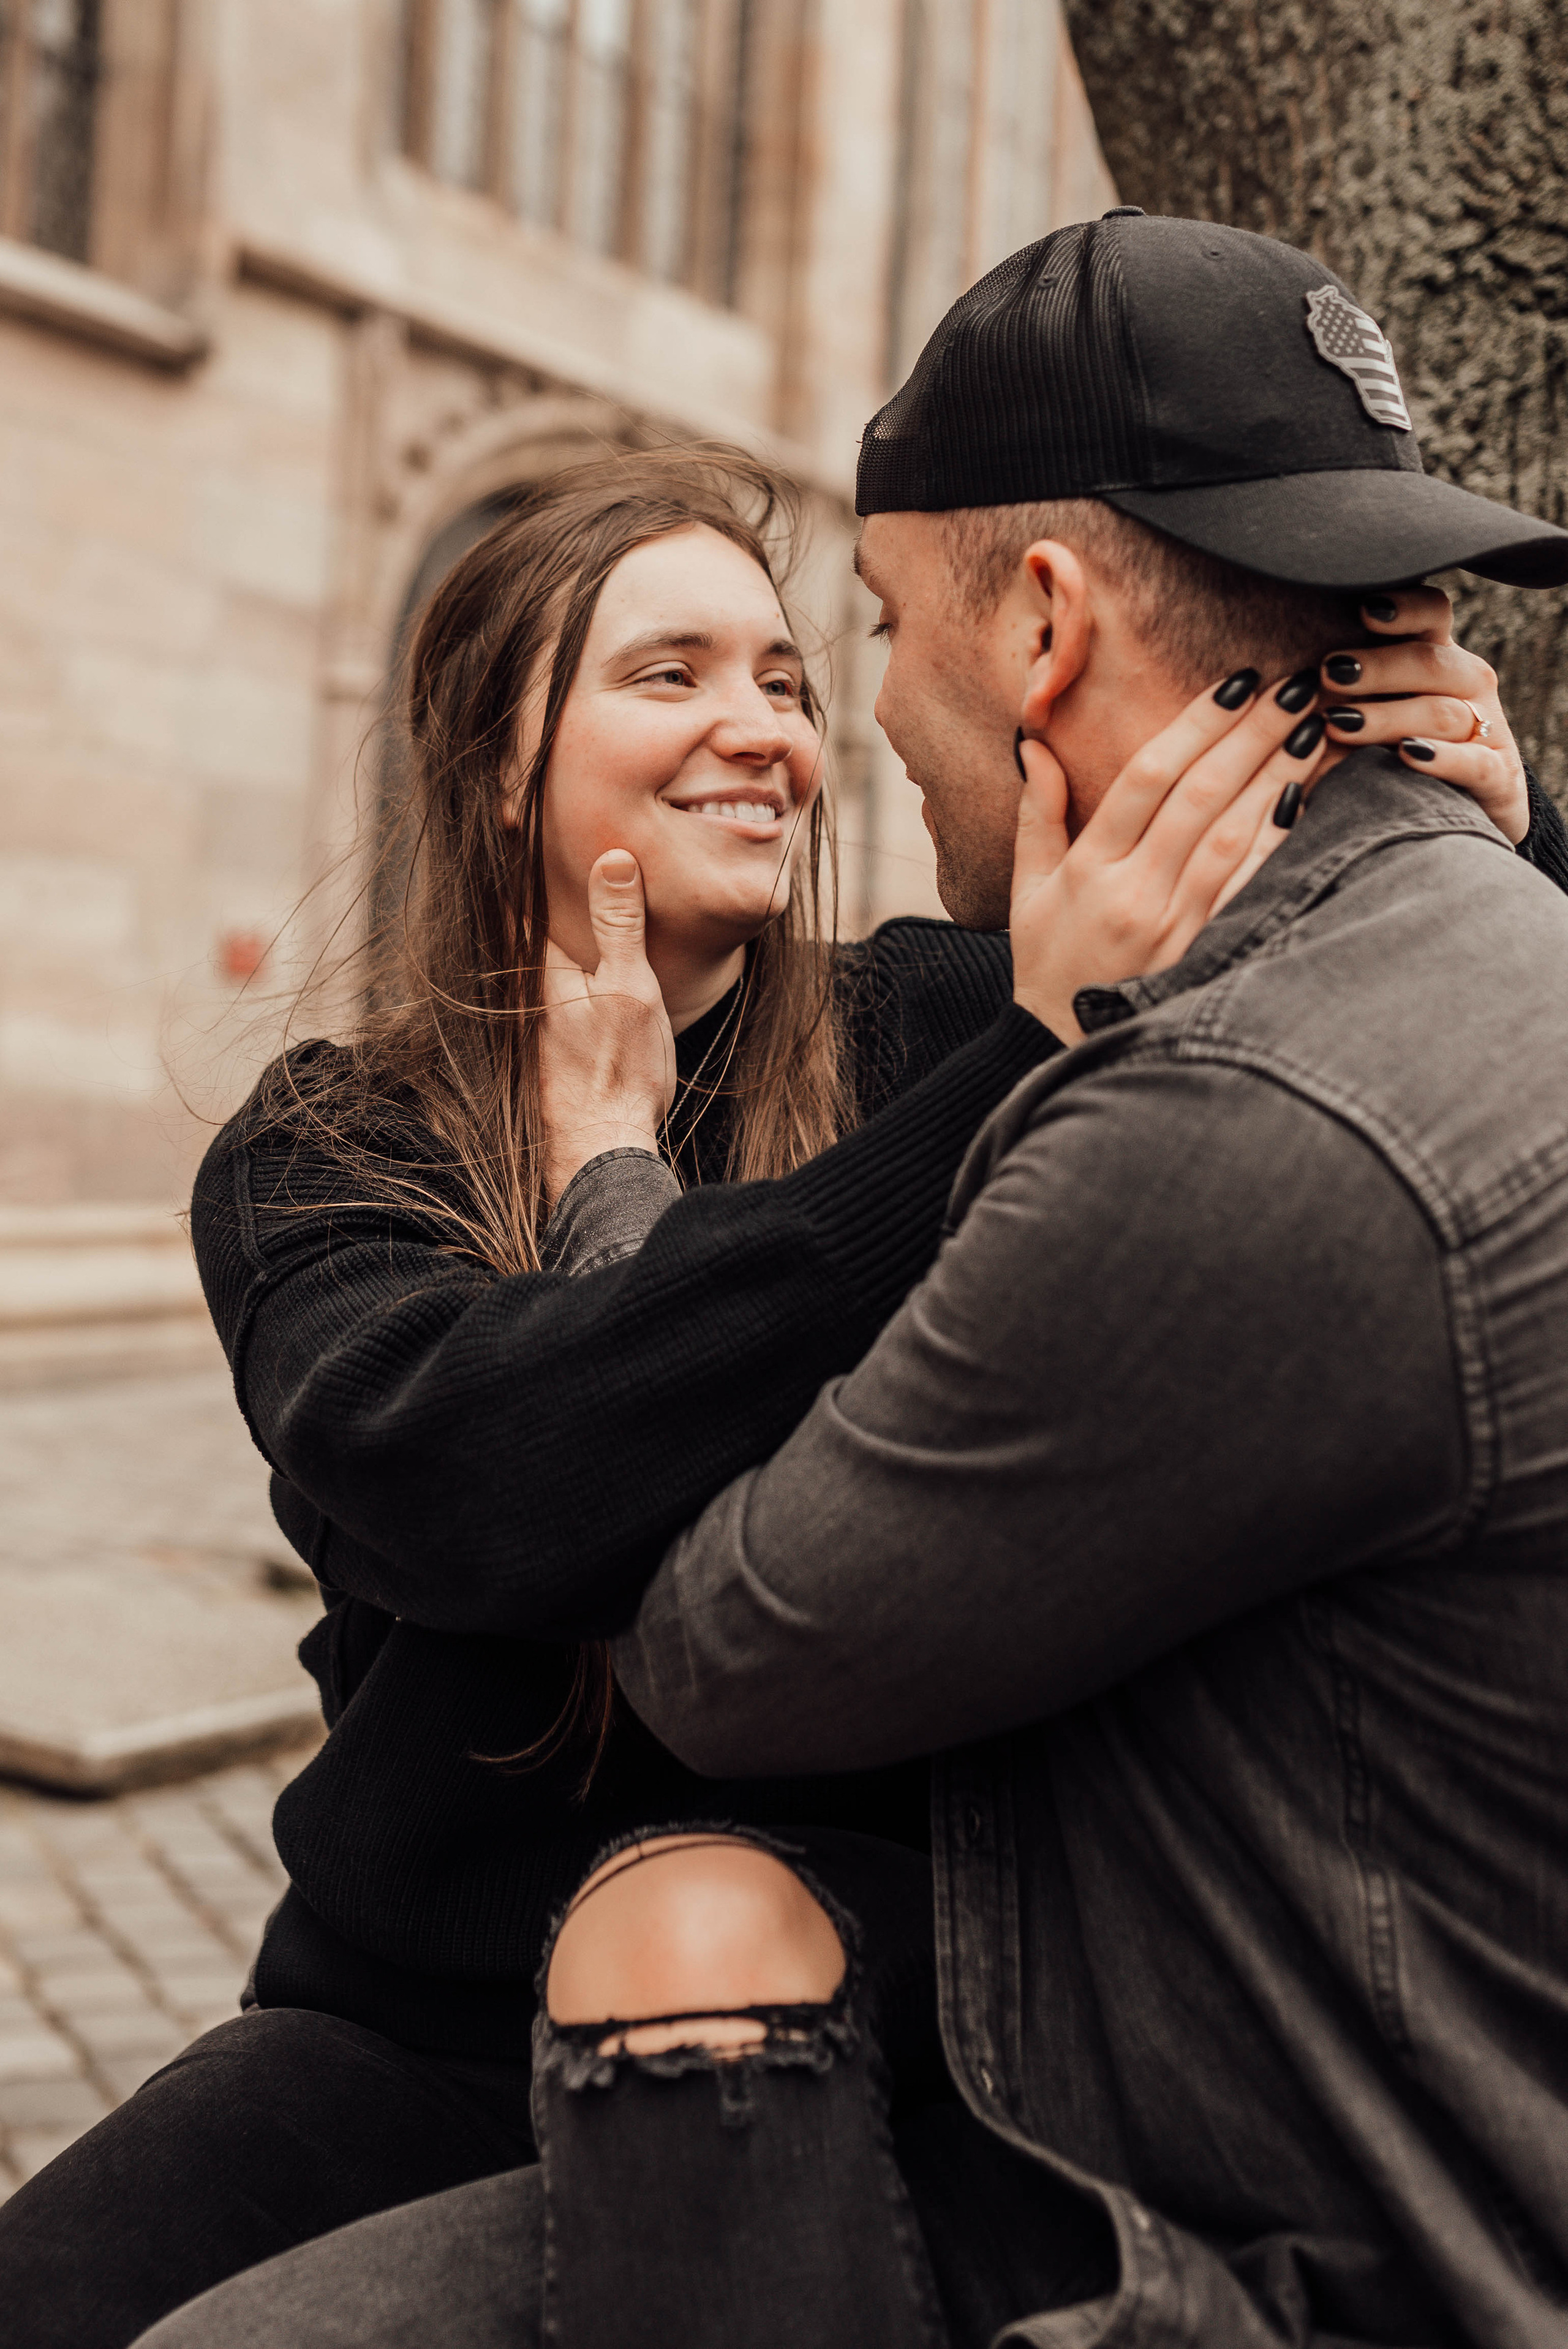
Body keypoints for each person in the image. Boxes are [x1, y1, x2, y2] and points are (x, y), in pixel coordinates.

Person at [123, 213, 1568, 2349]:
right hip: (424, 2009)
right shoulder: (328, 1147)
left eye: (801, 671)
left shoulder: (925, 1006)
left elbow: (1347, 997)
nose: (777, 732)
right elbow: (486, 1480)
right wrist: (677, 1150)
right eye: (670, 672)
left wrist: (1489, 837)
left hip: (859, 1988)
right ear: (495, 753)